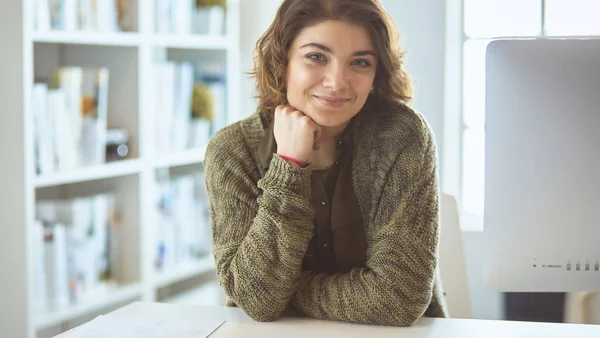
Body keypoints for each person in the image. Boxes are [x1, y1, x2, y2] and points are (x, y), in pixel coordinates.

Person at [204, 0, 448, 326]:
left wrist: (286, 295)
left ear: (377, 75)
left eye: (359, 62)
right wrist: (289, 165)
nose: (336, 82)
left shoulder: (403, 137)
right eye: (317, 57)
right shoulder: (233, 151)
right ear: (282, 62)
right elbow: (256, 299)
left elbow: (398, 298)